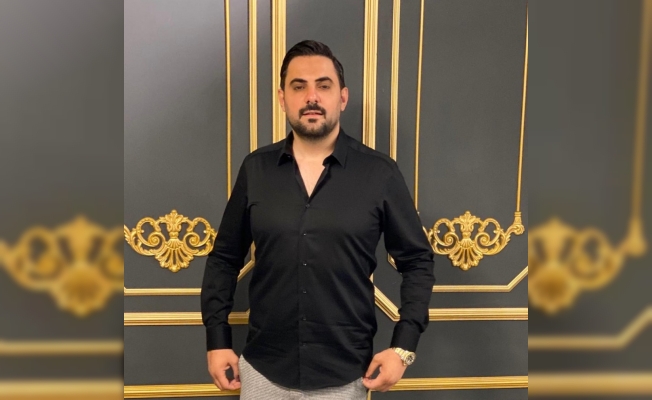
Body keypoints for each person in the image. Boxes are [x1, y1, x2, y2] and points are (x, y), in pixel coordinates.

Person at [201, 40, 435, 400]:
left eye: (323, 86)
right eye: (299, 86)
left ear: (342, 97)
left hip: (345, 376)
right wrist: (217, 340)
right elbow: (224, 258)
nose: (311, 97)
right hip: (263, 372)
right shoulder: (256, 169)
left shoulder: (380, 173)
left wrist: (403, 347)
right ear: (283, 98)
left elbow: (417, 261)